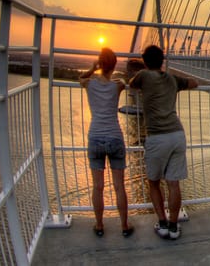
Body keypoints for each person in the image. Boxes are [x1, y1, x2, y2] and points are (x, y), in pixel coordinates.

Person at [129, 44, 198, 240]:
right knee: (173, 183)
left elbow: (132, 84)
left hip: (157, 137)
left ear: (145, 62)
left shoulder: (143, 76)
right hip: (177, 134)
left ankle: (162, 223)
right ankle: (174, 226)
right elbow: (193, 83)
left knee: (153, 181)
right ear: (162, 61)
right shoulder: (172, 79)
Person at [79, 48, 134, 238]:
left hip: (95, 138)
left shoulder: (90, 84)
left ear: (100, 64)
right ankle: (125, 226)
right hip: (115, 137)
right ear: (114, 65)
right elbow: (124, 83)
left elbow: (81, 78)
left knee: (98, 187)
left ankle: (100, 225)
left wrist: (93, 67)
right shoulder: (117, 86)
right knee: (119, 186)